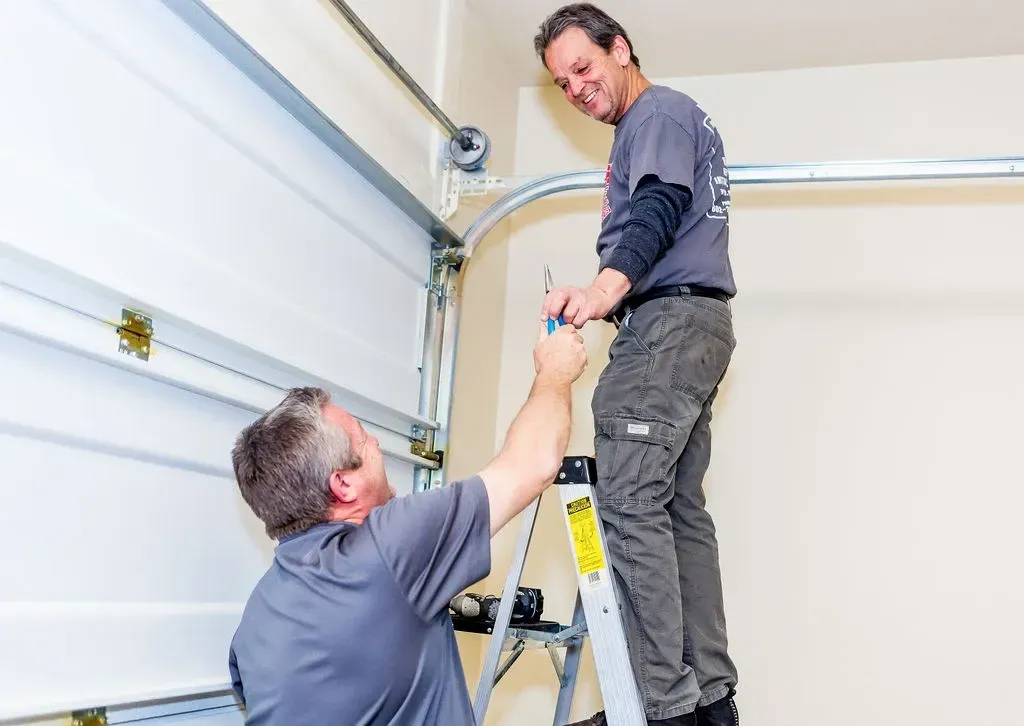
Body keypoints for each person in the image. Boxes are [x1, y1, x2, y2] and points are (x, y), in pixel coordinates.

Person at [533, 5, 740, 726]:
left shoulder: (655, 114)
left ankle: (666, 709)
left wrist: (602, 290)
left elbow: (657, 208)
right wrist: (603, 295)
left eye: (584, 68)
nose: (577, 89)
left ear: (620, 49)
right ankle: (711, 701)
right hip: (696, 327)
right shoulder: (660, 124)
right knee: (678, 510)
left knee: (626, 504)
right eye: (562, 83)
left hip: (668, 324)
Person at [225, 322, 587, 725]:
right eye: (363, 439)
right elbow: (533, 462)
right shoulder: (387, 547)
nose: (376, 443)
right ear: (343, 484)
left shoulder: (255, 618)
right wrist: (555, 370)